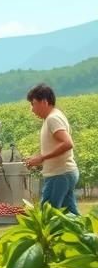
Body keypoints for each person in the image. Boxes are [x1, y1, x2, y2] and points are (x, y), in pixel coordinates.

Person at [24, 83, 79, 215]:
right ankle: (84, 235)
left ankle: (48, 236)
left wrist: (42, 158)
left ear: (44, 102)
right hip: (64, 173)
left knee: (48, 213)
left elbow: (67, 143)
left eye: (33, 103)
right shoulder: (54, 116)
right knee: (70, 216)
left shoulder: (53, 119)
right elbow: (56, 146)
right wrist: (39, 159)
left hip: (59, 175)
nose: (32, 109)